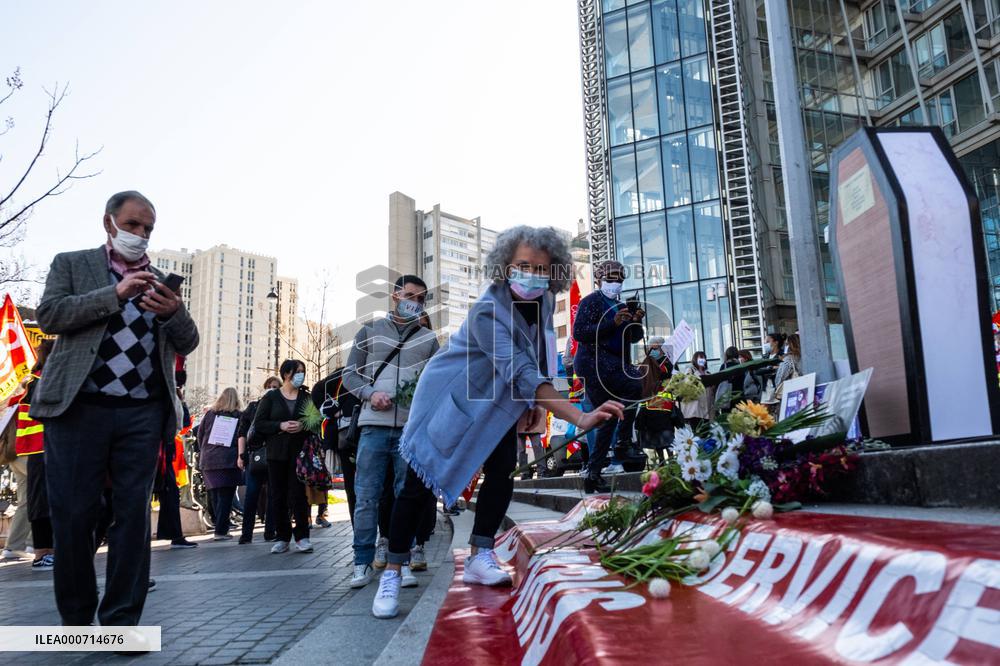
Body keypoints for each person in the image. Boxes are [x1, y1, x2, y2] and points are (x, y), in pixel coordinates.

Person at [370, 225, 623, 619]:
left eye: (540, 267)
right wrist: (577, 414)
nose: (532, 274)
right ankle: (393, 569)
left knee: (503, 469)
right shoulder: (490, 310)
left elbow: (539, 357)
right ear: (504, 266)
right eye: (522, 265)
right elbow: (519, 368)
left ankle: (480, 554)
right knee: (417, 486)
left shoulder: (541, 303)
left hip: (499, 402)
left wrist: (534, 403)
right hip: (452, 398)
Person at [31, 190, 199, 627]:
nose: (140, 235)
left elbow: (188, 340)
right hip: (78, 409)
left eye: (147, 228)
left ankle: (122, 621)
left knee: (132, 514)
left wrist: (173, 312)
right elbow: (50, 315)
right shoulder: (72, 263)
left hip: (142, 412)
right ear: (109, 223)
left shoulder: (162, 280)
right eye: (132, 225)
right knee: (73, 513)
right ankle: (76, 617)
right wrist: (115, 293)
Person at [342, 275, 439, 589]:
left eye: (421, 299)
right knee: (367, 499)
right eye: (410, 295)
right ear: (395, 295)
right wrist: (370, 394)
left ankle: (404, 561)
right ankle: (361, 562)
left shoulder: (428, 339)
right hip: (373, 427)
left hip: (410, 431)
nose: (415, 302)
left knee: (404, 498)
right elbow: (349, 375)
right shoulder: (369, 331)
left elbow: (435, 381)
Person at [572, 260, 645, 493]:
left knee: (609, 416)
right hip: (594, 364)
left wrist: (635, 322)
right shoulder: (591, 302)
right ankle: (623, 443)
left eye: (620, 279)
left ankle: (593, 474)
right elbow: (579, 333)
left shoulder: (619, 304)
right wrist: (611, 323)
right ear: (599, 278)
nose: (616, 283)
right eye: (611, 278)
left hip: (615, 364)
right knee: (634, 385)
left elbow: (631, 338)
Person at [252, 359, 313, 554]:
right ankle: (282, 536)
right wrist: (280, 426)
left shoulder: (306, 397)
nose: (301, 375)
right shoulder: (270, 398)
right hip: (276, 454)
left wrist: (303, 425)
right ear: (287, 374)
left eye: (303, 372)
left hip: (299, 453)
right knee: (277, 495)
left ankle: (302, 536)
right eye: (298, 372)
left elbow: (315, 420)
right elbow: (260, 423)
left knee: (298, 495)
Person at [197, 388, 243, 541]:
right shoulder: (237, 416)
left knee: (215, 495)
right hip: (228, 461)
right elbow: (241, 438)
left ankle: (219, 527)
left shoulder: (210, 414)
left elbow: (200, 435)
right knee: (226, 496)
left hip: (208, 460)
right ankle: (221, 531)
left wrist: (205, 450)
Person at [238, 376, 280, 544]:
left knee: (273, 495)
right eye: (269, 385)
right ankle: (246, 534)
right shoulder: (253, 407)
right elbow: (242, 432)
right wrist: (241, 455)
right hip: (254, 455)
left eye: (276, 386)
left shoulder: (280, 407)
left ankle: (270, 531)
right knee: (251, 495)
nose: (272, 388)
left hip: (275, 455)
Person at [635, 337, 676, 465]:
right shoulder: (647, 362)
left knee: (668, 435)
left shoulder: (668, 363)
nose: (653, 350)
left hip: (665, 407)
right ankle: (661, 462)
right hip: (651, 407)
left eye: (656, 347)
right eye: (652, 347)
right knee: (655, 436)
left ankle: (672, 459)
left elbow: (672, 378)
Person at [681, 351, 714, 429]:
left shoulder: (708, 373)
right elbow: (687, 384)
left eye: (704, 358)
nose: (702, 360)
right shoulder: (690, 371)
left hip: (707, 410)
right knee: (697, 432)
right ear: (695, 359)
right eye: (700, 358)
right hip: (694, 409)